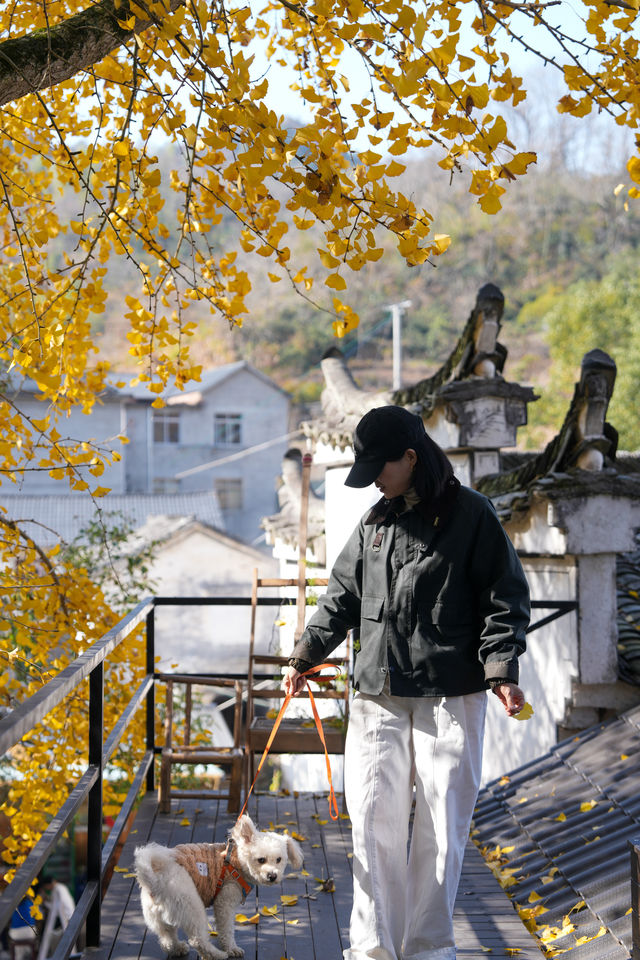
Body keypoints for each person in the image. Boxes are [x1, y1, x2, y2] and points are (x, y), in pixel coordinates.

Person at [283, 405, 530, 960]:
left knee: (443, 830)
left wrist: (502, 671)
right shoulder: (375, 522)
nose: (374, 478)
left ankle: (428, 950)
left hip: (452, 694)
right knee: (373, 824)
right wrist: (304, 656)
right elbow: (341, 597)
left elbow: (505, 599)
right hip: (377, 693)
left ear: (411, 457)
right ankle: (371, 951)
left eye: (380, 466)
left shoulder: (473, 515)